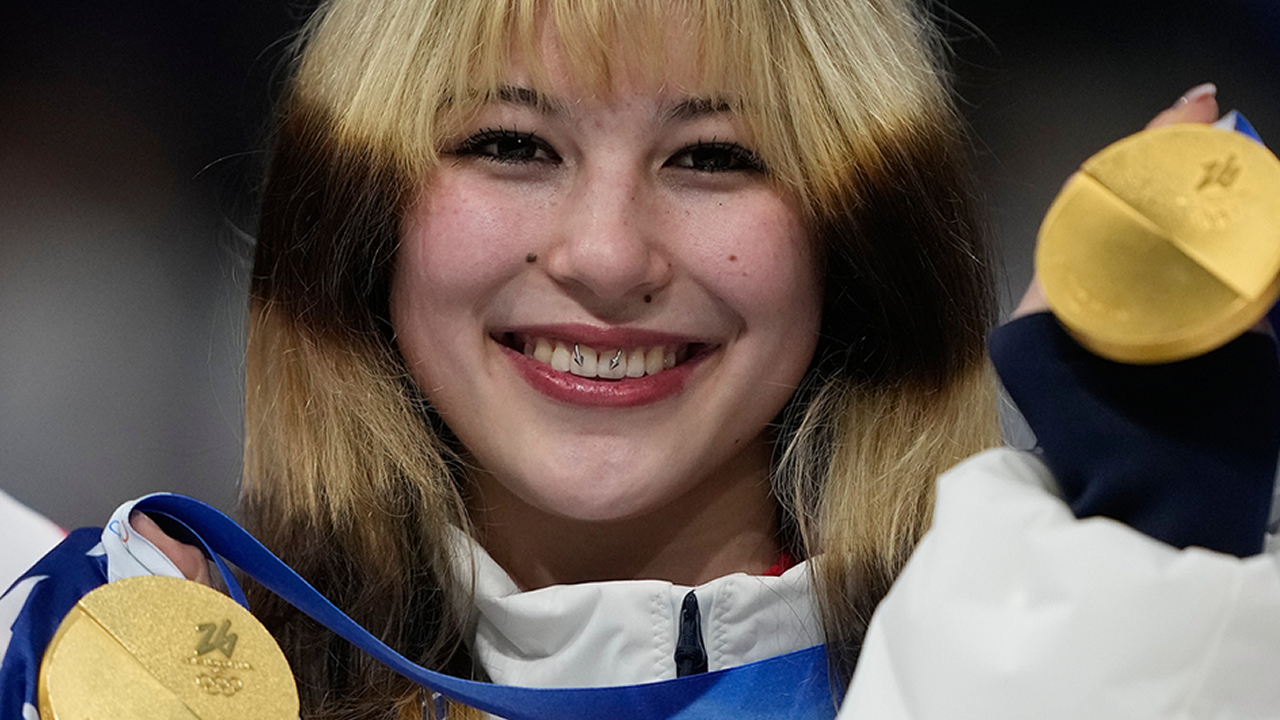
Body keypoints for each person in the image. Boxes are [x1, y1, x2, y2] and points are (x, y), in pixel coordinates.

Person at [4, 1, 1280, 719]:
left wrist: (1126, 598)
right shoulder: (110, 664)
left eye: (714, 158)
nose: (607, 256)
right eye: (510, 145)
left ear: (858, 239)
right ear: (360, 218)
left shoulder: (1044, 666)